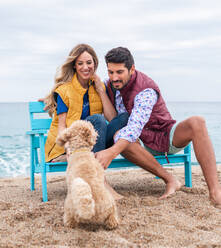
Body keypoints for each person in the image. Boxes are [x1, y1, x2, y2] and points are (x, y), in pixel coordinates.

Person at [95, 46, 221, 206]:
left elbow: (133, 128)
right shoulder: (112, 86)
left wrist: (110, 152)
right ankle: (170, 180)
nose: (114, 77)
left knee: (197, 122)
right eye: (110, 72)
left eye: (119, 72)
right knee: (120, 135)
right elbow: (115, 118)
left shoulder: (145, 90)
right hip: (140, 145)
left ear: (131, 69)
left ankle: (216, 193)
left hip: (164, 137)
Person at [42, 44, 128, 199]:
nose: (85, 67)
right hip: (73, 142)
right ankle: (100, 181)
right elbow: (62, 126)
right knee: (97, 119)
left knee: (123, 118)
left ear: (94, 63)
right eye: (80, 63)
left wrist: (101, 90)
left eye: (89, 62)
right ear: (74, 66)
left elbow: (112, 118)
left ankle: (97, 178)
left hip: (93, 142)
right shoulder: (64, 90)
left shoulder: (98, 86)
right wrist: (68, 147)